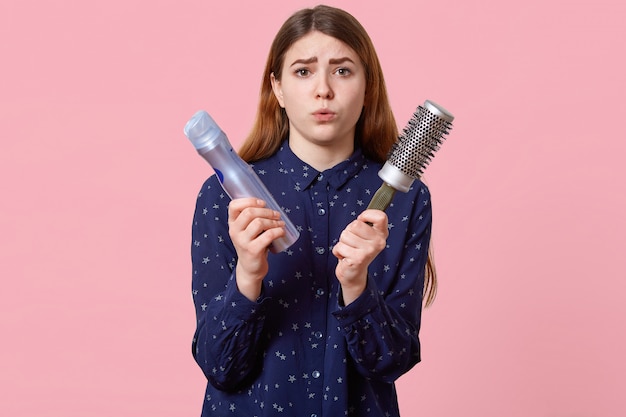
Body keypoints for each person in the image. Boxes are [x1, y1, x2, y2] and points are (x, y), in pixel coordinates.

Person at [190, 5, 437, 416]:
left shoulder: (407, 199)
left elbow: (391, 362)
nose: (323, 89)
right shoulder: (227, 199)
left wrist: (357, 286)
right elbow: (220, 366)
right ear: (278, 88)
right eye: (303, 71)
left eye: (342, 70)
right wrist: (248, 275)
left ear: (367, 85)